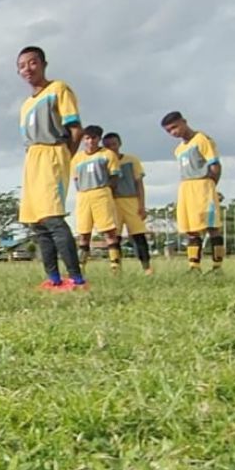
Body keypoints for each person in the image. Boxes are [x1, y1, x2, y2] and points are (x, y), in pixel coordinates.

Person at [16, 46, 86, 291]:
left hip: (52, 153)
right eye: (22, 65)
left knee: (53, 217)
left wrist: (65, 156)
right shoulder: (26, 104)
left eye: (33, 63)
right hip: (32, 158)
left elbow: (76, 129)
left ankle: (77, 279)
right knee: (38, 222)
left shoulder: (58, 90)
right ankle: (54, 279)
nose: (28, 69)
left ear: (44, 64)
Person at [162, 111, 223, 272]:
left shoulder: (202, 139)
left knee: (211, 226)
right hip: (186, 187)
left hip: (202, 185)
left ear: (184, 122)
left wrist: (212, 187)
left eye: (175, 127)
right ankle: (194, 266)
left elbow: (215, 165)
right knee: (191, 229)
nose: (173, 132)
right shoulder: (179, 149)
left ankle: (217, 266)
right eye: (169, 131)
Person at [70, 125, 122, 273]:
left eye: (94, 138)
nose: (90, 141)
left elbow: (114, 176)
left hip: (101, 193)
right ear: (83, 140)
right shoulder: (77, 158)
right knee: (83, 233)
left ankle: (115, 267)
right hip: (84, 196)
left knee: (109, 231)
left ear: (99, 139)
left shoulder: (108, 155)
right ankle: (80, 268)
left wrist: (106, 191)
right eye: (87, 138)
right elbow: (75, 179)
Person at [102, 131, 153, 275]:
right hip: (113, 201)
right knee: (114, 237)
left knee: (138, 236)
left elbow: (139, 183)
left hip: (131, 200)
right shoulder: (104, 161)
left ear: (119, 144)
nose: (112, 148)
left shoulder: (131, 160)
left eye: (114, 144)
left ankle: (146, 267)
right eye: (108, 146)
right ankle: (116, 268)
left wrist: (142, 205)